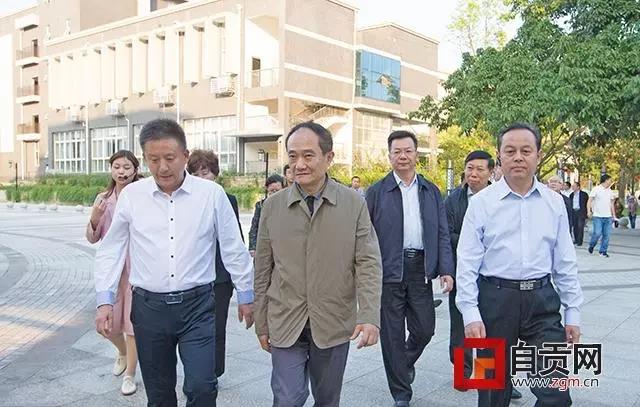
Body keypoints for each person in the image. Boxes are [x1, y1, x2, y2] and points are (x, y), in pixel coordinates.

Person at [94, 119, 255, 407]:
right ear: (145, 159)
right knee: (159, 394)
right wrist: (105, 300)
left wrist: (246, 293)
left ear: (185, 155)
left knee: (202, 386)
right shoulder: (133, 196)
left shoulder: (210, 195)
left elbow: (233, 246)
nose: (163, 167)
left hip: (197, 307)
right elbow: (112, 249)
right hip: (149, 309)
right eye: (153, 160)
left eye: (170, 158)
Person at [254, 122, 382, 407]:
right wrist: (261, 322)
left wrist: (369, 315)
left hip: (333, 321)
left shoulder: (353, 204)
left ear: (329, 157)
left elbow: (368, 262)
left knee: (327, 399)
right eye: (293, 156)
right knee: (287, 399)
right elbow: (262, 269)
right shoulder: (272, 207)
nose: (299, 164)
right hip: (285, 319)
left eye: (308, 155)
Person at [456, 123, 583, 407]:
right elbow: (467, 261)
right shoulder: (482, 203)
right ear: (499, 156)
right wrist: (470, 313)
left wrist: (573, 312)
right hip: (493, 303)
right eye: (510, 151)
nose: (518, 157)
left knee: (556, 394)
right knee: (491, 392)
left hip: (542, 303)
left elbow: (565, 262)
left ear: (538, 155)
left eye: (526, 151)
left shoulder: (554, 203)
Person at [366, 130, 454, 406]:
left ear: (416, 154)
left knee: (425, 329)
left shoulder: (430, 190)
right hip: (388, 271)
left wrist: (446, 269)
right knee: (391, 335)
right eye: (397, 151)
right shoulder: (377, 192)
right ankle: (401, 393)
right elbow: (364, 235)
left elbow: (442, 232)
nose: (402, 156)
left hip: (420, 269)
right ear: (389, 155)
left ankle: (402, 364)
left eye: (408, 151)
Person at [443, 151, 526, 399]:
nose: (474, 174)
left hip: (495, 278)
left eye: (480, 169)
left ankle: (494, 379)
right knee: (461, 327)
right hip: (463, 272)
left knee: (493, 332)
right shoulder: (453, 200)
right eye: (470, 168)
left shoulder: (501, 198)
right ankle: (463, 372)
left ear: (491, 172)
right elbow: (445, 234)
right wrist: (474, 239)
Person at [87, 150, 142, 396]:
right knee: (108, 325)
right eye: (117, 166)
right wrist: (94, 217)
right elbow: (92, 238)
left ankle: (130, 374)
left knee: (132, 325)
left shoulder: (143, 196)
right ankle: (122, 352)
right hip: (113, 271)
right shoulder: (103, 199)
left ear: (135, 170)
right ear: (111, 169)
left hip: (138, 268)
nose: (122, 171)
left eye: (127, 167)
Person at [186, 149, 244, 378]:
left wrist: (241, 281)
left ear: (215, 174)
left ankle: (214, 372)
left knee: (218, 326)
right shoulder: (183, 202)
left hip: (220, 276)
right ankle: (196, 371)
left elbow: (235, 239)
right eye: (196, 174)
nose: (202, 178)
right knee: (192, 330)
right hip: (192, 276)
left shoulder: (227, 199)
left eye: (206, 172)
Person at [248, 174, 285, 256]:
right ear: (267, 189)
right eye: (272, 191)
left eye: (277, 190)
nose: (274, 193)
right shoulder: (260, 205)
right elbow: (254, 226)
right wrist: (253, 247)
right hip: (265, 245)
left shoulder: (287, 205)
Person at [587, 174, 616, 257]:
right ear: (605, 180)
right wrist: (589, 211)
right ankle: (592, 245)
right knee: (597, 233)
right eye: (610, 180)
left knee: (606, 235)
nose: (611, 182)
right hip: (597, 216)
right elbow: (589, 201)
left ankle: (603, 251)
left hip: (608, 217)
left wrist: (614, 215)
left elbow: (612, 204)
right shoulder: (596, 189)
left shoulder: (610, 191)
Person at [569, 182, 589, 246]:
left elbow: (587, 203)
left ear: (578, 187)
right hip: (573, 212)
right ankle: (576, 239)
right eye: (572, 186)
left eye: (574, 186)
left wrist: (588, 212)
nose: (573, 187)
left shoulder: (584, 194)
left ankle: (580, 241)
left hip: (581, 212)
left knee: (580, 226)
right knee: (575, 227)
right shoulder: (571, 195)